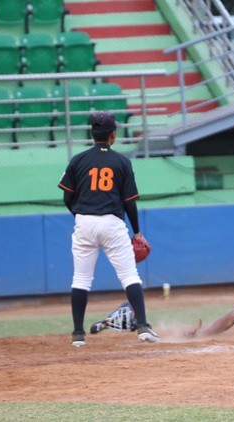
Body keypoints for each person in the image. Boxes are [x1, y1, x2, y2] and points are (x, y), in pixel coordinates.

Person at [58, 111, 160, 347]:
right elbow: (129, 202)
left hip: (84, 221)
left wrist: (81, 215)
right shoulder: (122, 161)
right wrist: (137, 232)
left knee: (81, 278)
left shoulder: (78, 160)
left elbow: (66, 197)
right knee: (129, 276)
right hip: (112, 223)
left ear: (92, 133)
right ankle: (143, 327)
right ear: (113, 135)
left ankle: (77, 335)